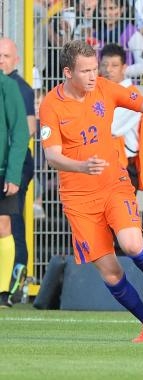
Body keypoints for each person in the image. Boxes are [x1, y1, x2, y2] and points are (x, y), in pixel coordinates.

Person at [39, 40, 143, 342]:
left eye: (95, 69)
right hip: (78, 199)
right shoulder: (51, 104)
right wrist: (80, 166)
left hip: (113, 184)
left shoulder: (105, 87)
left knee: (131, 244)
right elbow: (51, 155)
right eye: (86, 71)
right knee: (111, 272)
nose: (93, 76)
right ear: (67, 72)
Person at [0, 38, 37, 305]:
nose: (1, 60)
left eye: (6, 55)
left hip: (15, 167)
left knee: (10, 224)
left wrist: (12, 174)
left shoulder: (17, 88)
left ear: (16, 60)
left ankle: (11, 287)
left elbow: (27, 129)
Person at [100, 43, 143, 193]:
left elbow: (110, 128)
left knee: (122, 215)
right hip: (103, 163)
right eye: (104, 65)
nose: (108, 70)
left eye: (114, 65)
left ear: (124, 67)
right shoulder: (100, 91)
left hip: (124, 166)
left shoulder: (132, 96)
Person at [0, 72, 29, 308]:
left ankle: (2, 291)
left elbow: (20, 132)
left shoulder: (7, 86)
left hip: (2, 171)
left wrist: (12, 174)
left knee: (3, 227)